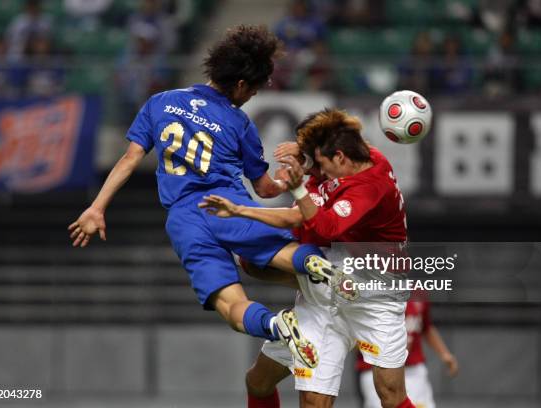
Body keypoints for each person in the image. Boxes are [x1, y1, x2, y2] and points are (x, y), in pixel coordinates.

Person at [68, 25, 343, 369]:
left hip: (184, 220)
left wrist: (96, 208)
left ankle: (276, 325)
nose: (253, 96)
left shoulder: (160, 102)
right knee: (279, 253)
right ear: (242, 85)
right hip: (229, 207)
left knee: (231, 305)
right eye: (255, 89)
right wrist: (289, 179)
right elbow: (263, 188)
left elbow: (129, 159)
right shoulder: (238, 122)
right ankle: (319, 265)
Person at [200, 109, 415, 408]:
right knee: (262, 383)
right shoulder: (354, 159)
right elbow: (302, 205)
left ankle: (301, 275)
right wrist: (303, 155)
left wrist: (248, 208)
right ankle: (306, 278)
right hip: (330, 289)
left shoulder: (370, 186)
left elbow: (324, 225)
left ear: (340, 158)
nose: (321, 171)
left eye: (323, 164)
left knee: (392, 397)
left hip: (376, 294)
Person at [357, 300, 459, 408]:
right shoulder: (369, 292)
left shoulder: (418, 292)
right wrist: (386, 350)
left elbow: (426, 327)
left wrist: (444, 353)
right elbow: (356, 337)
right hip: (377, 371)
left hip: (413, 370)